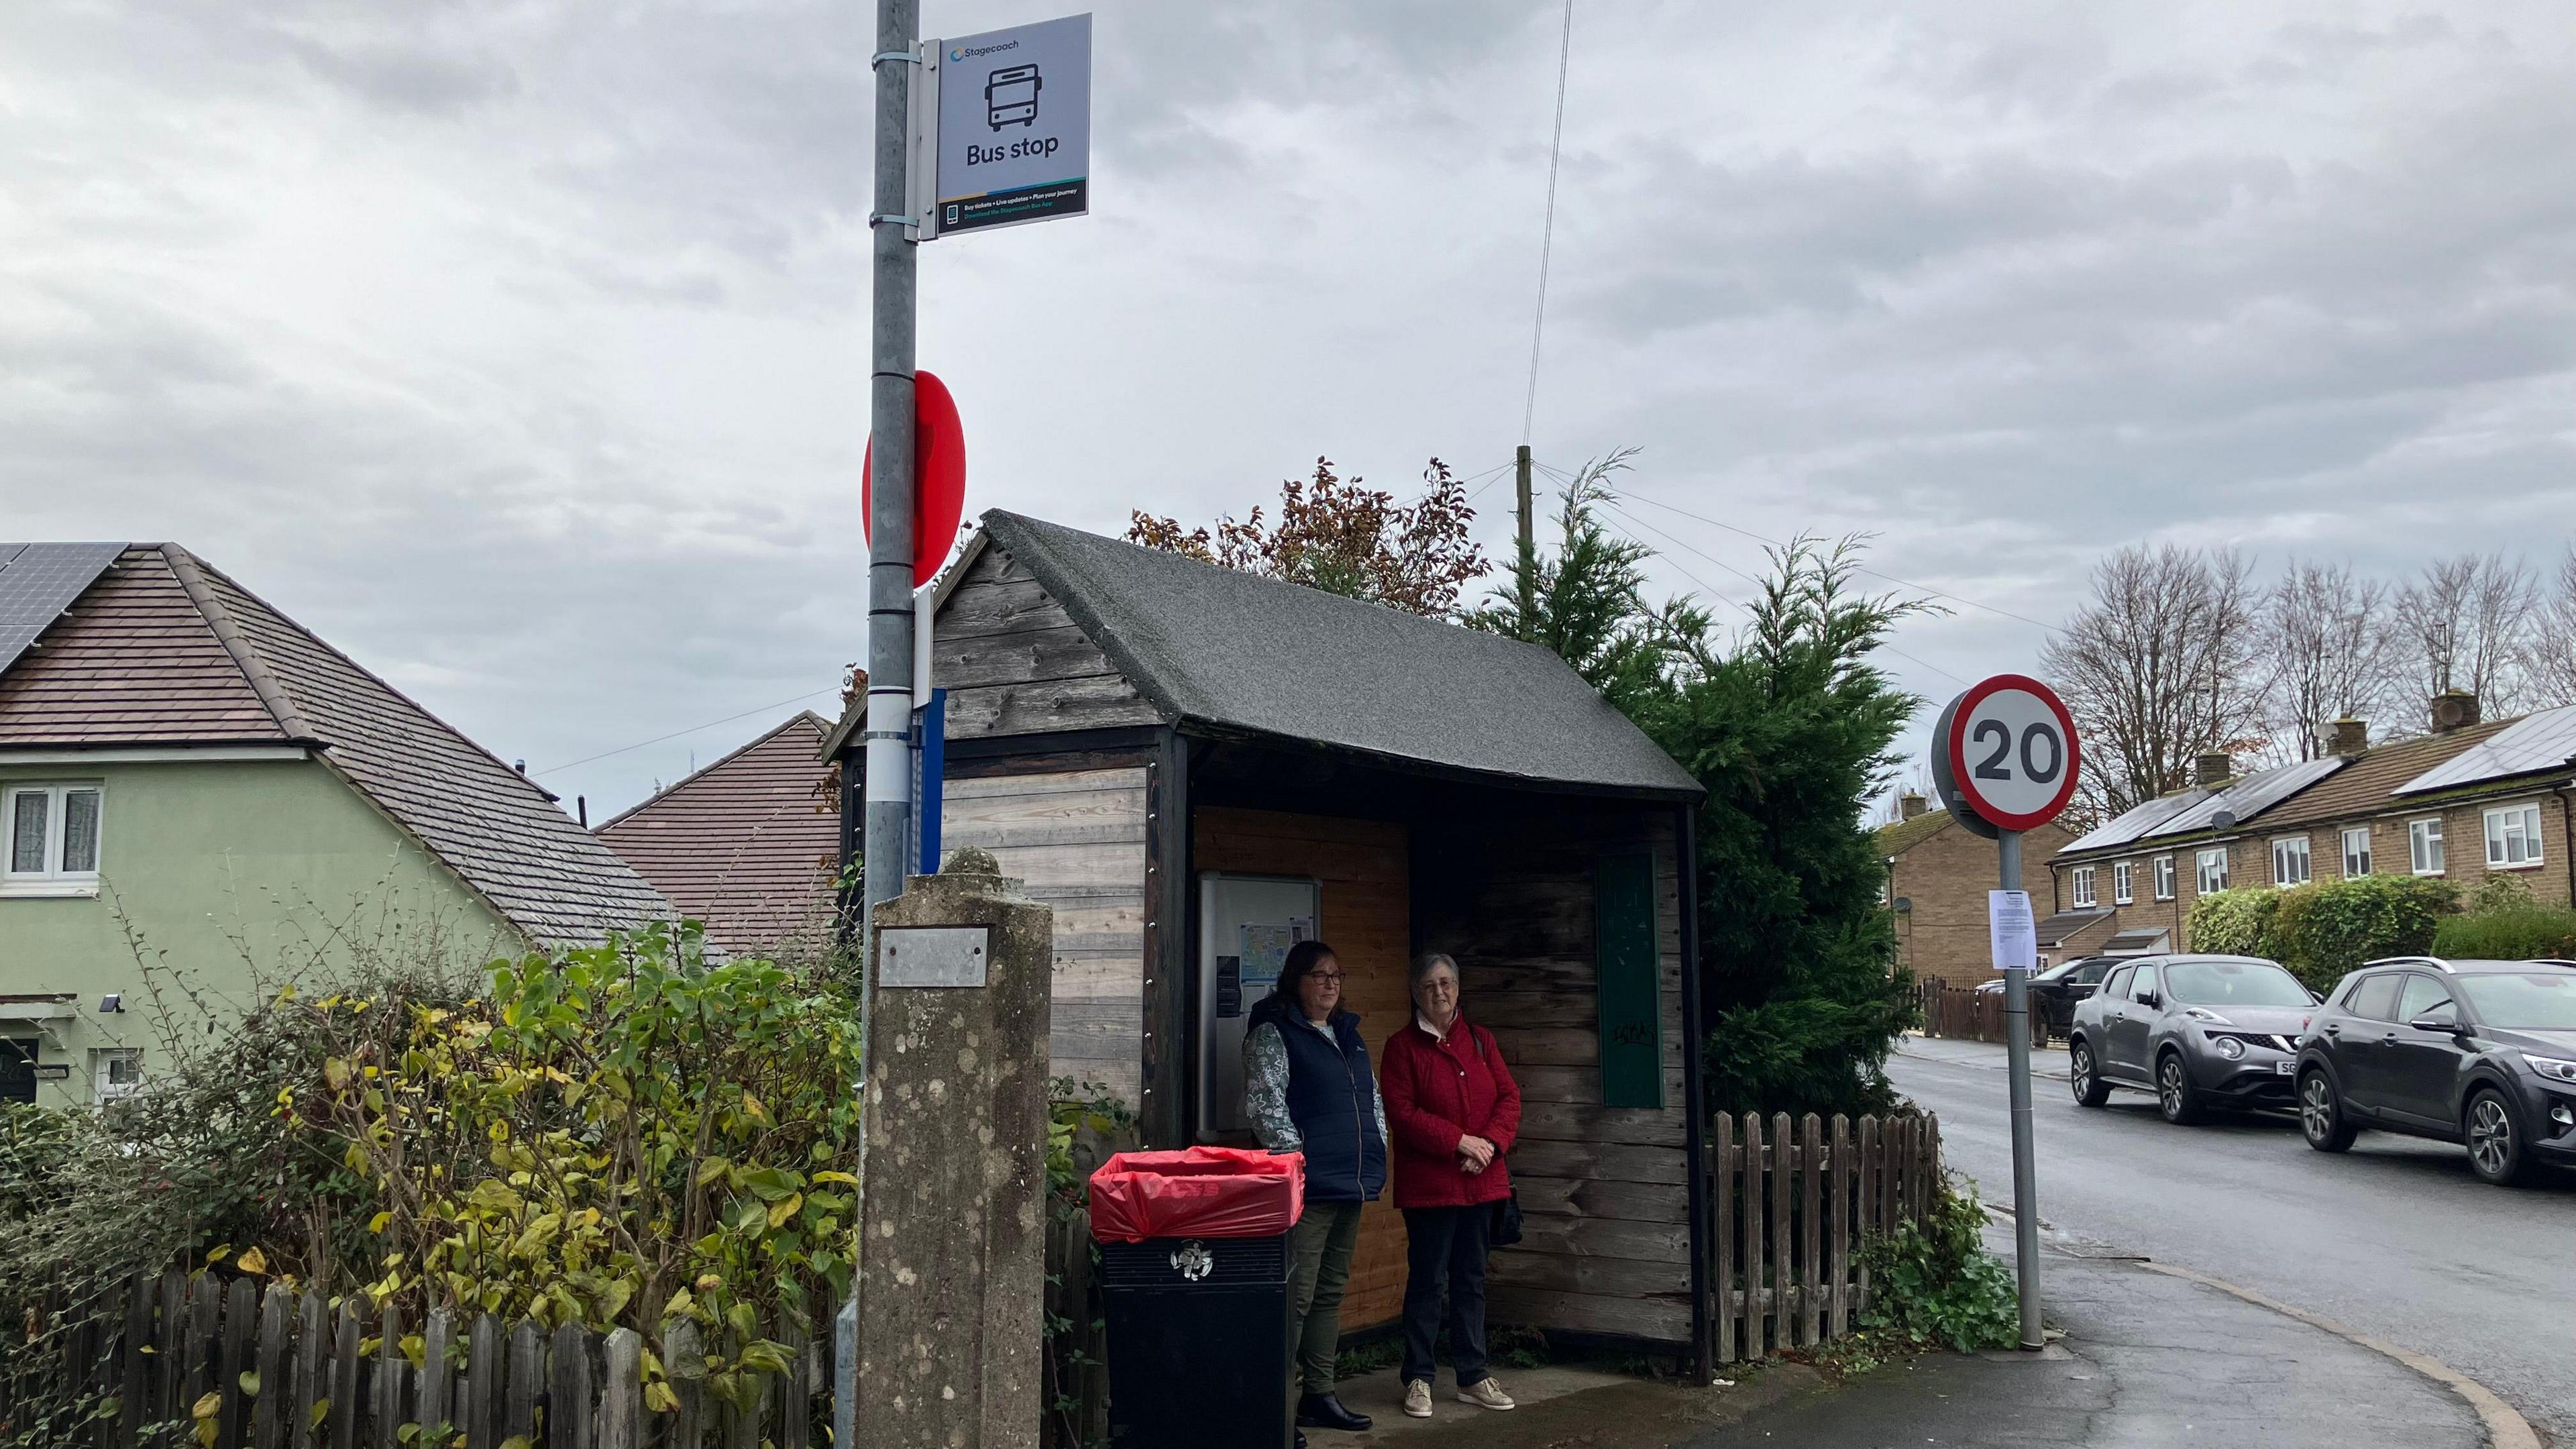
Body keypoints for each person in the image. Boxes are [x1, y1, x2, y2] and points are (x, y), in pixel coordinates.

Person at [1244, 939, 1387, 1438]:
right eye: (1319, 975)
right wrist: (1297, 1163)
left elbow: (1372, 1103)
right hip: (1308, 1187)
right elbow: (1266, 1106)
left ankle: (1319, 1396)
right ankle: (1274, 1406)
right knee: (1296, 1299)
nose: (1330, 984)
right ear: (1296, 981)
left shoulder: (1349, 1034)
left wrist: (1377, 1149)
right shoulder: (1275, 1032)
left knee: (1329, 1293)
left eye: (1337, 976)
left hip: (1350, 1182)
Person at [1377, 951, 1521, 1418]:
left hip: (1482, 1185)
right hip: (1431, 1188)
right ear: (1415, 992)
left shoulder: (1480, 1041)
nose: (1438, 992)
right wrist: (1460, 1142)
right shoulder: (1402, 1047)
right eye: (1428, 985)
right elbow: (1403, 1113)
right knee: (1427, 1282)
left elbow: (1509, 1098)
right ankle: (1419, 1378)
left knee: (1470, 1282)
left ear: (1458, 988)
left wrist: (1491, 1146)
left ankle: (1473, 1375)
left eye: (1446, 983)